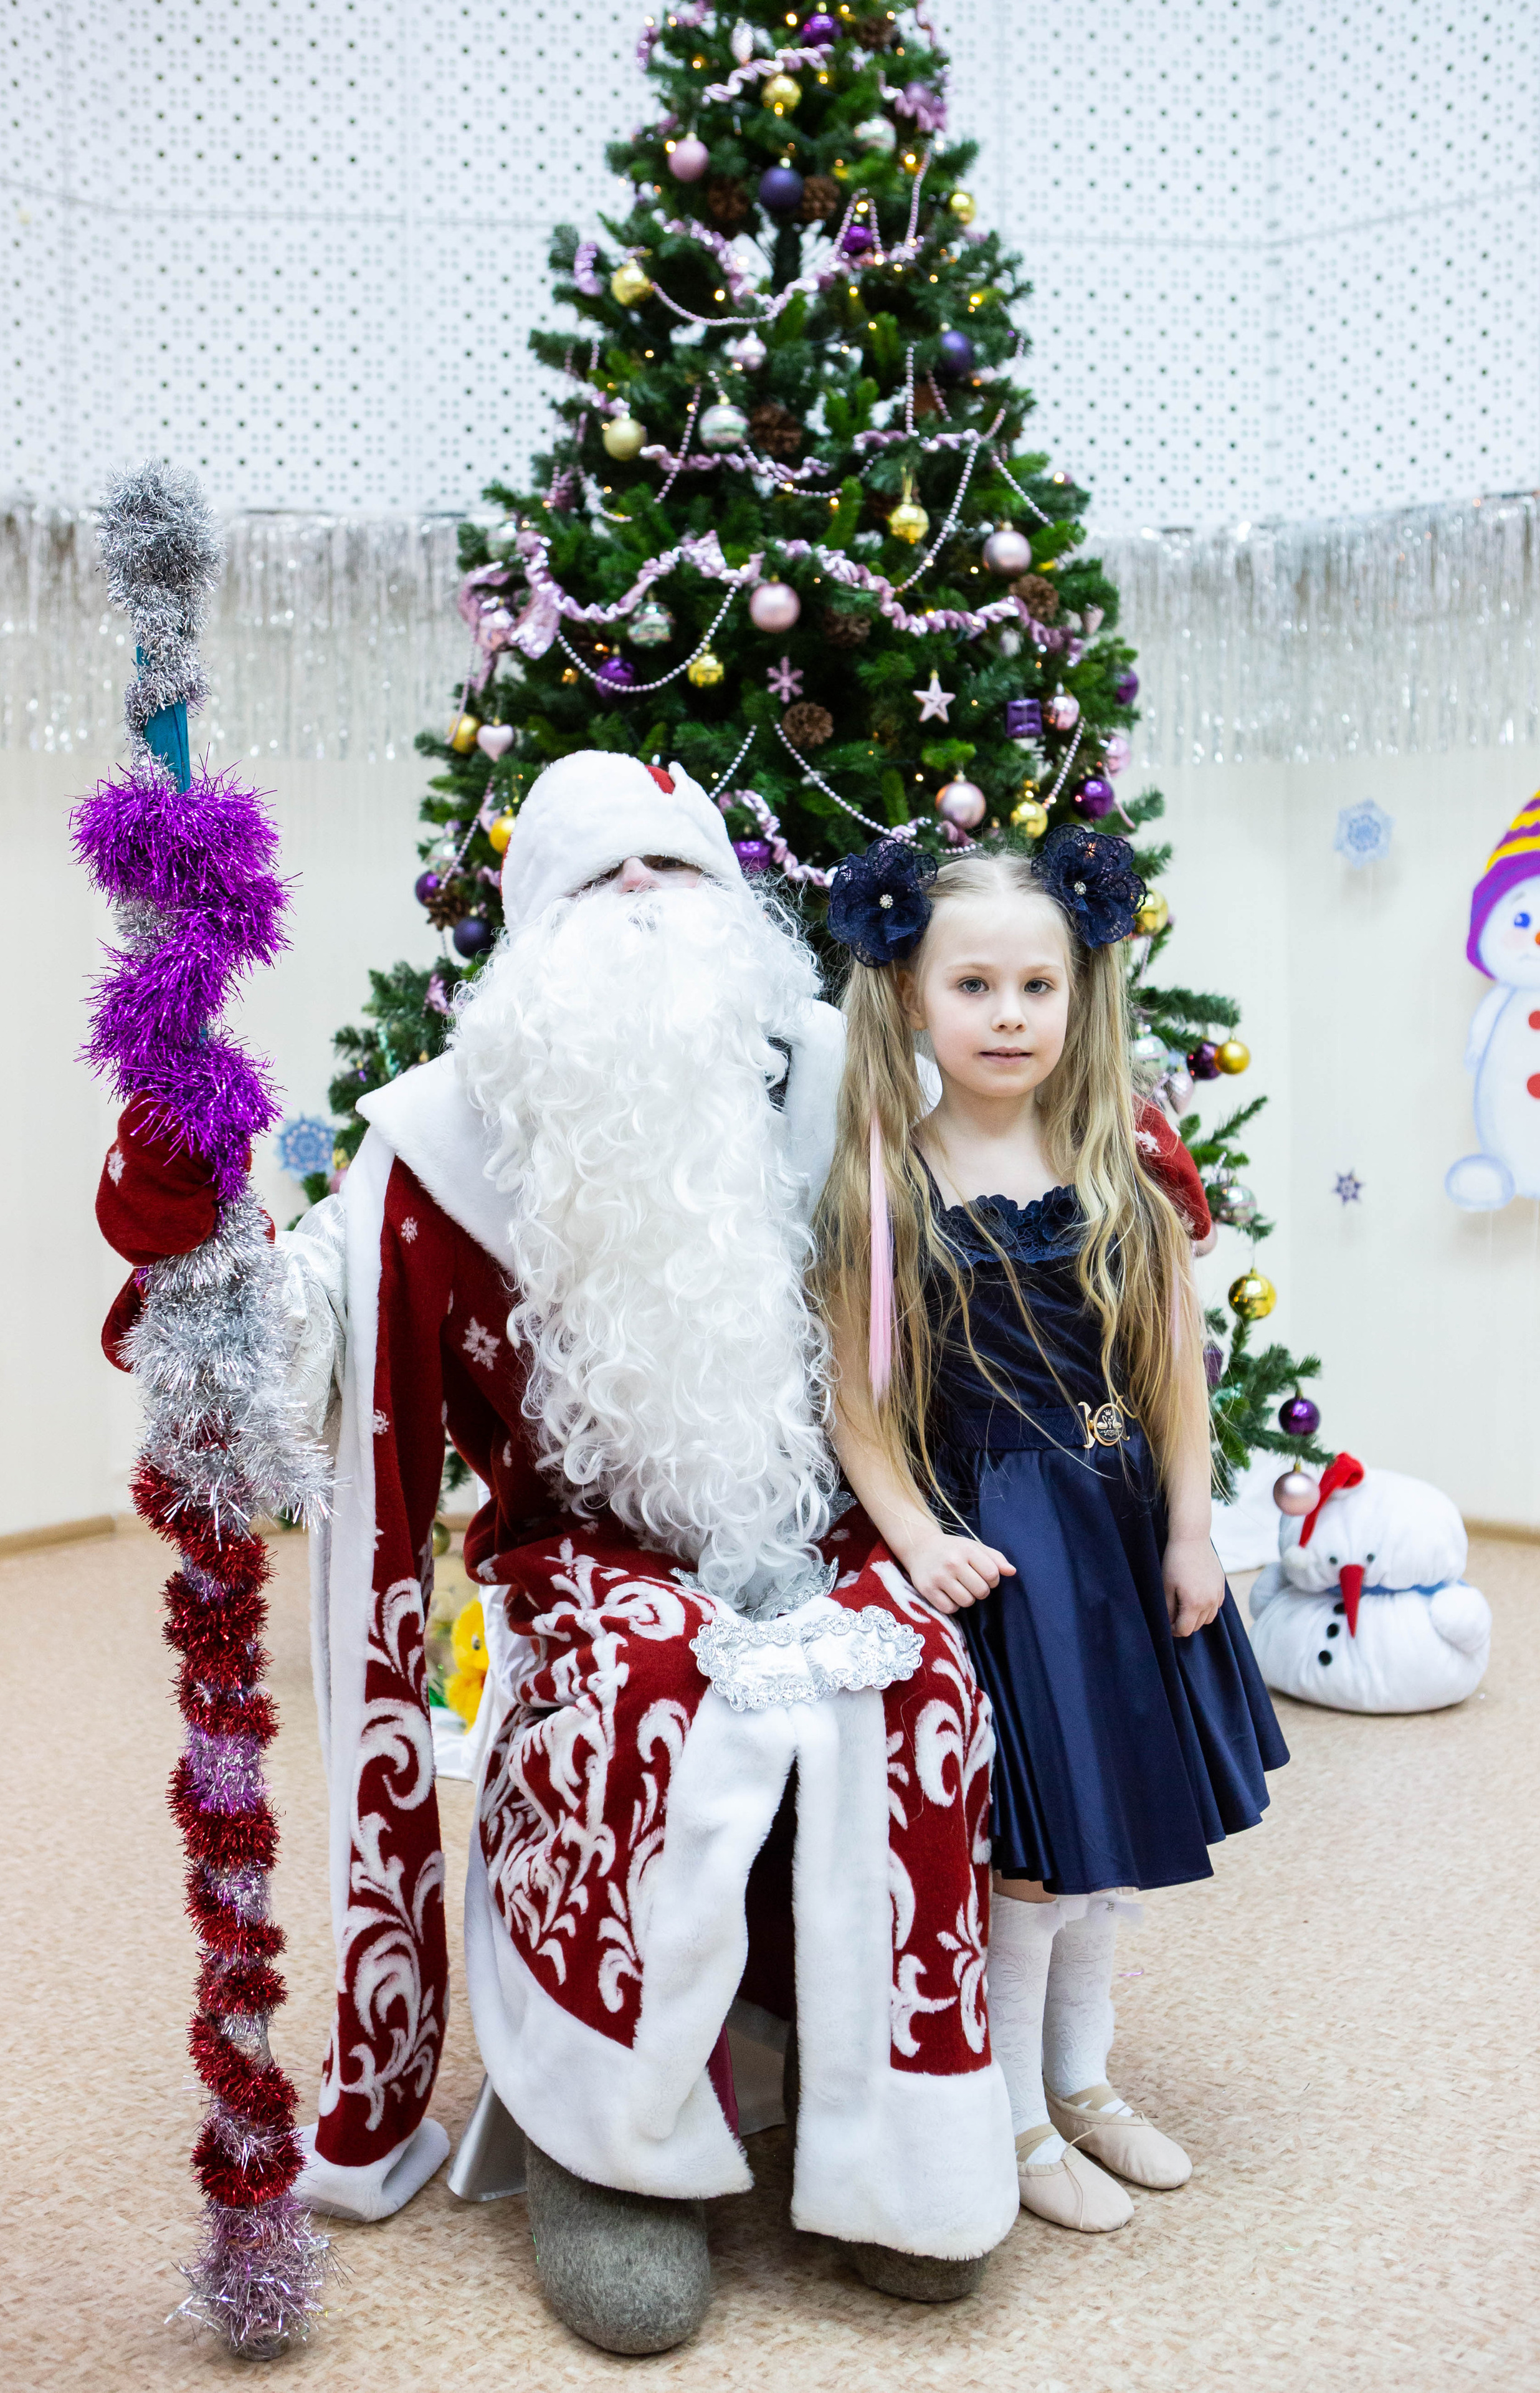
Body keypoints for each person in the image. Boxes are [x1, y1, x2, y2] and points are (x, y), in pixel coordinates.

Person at [95, 751, 1022, 2356]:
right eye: (601, 880)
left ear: (742, 917)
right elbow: (286, 1346)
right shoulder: (440, 1138)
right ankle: (616, 2152)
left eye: (677, 872)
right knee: (642, 1688)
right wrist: (192, 1218)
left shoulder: (831, 1080)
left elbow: (1015, 1196)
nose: (645, 902)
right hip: (581, 1563)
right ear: (532, 936)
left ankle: (895, 2138)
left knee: (915, 1675)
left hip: (816, 1528)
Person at [810, 831, 1289, 2237]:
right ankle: (1011, 2120)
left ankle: (1081, 2082)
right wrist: (910, 1537)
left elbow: (1170, 1380)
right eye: (972, 985)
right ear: (909, 996)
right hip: (1003, 1548)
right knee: (1028, 1868)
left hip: (1122, 1534)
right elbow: (855, 1408)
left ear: (1079, 994)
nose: (1007, 1013)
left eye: (1037, 984)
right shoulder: (884, 1192)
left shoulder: (1116, 1170)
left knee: (1110, 1850)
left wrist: (1191, 1532)